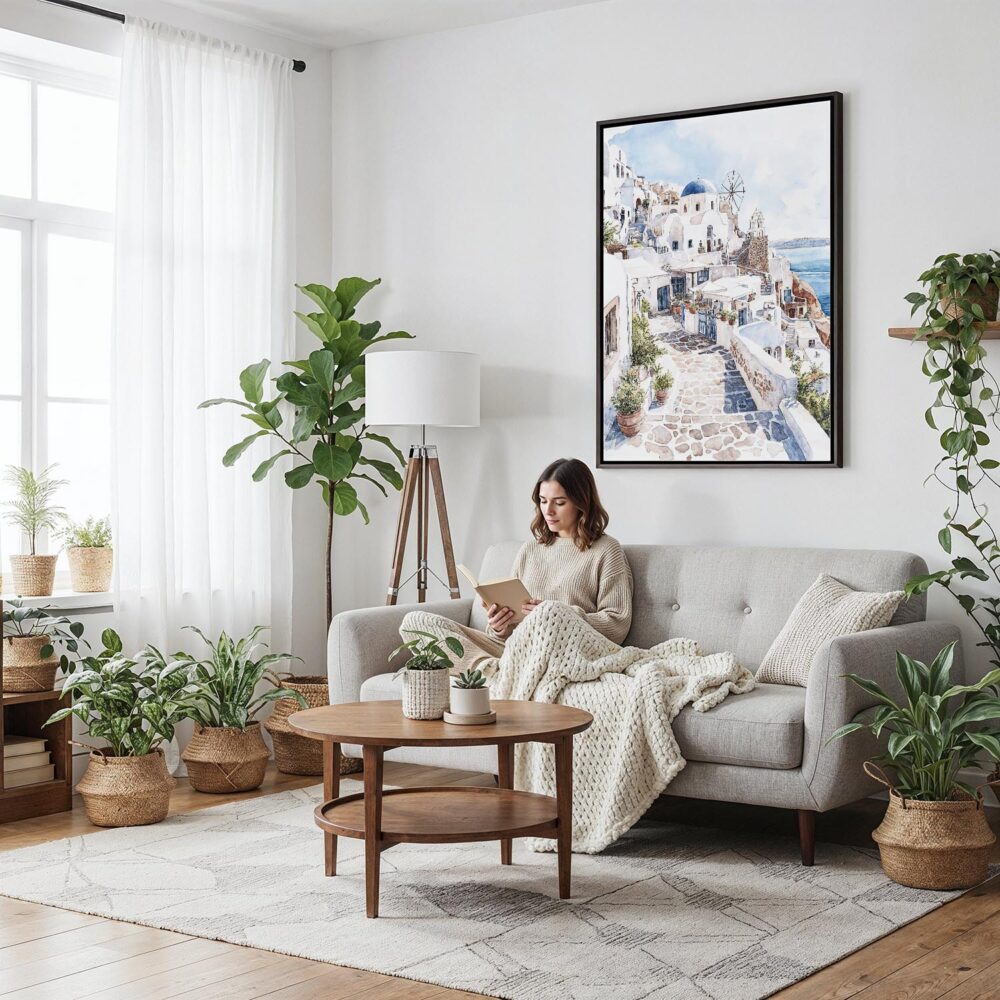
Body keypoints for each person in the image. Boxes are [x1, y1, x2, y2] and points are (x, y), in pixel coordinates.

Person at [399, 457, 633, 676]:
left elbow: (617, 625)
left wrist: (557, 614)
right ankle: (490, 671)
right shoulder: (530, 549)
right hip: (515, 650)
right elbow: (504, 636)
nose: (548, 511)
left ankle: (497, 675)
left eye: (559, 503)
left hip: (566, 652)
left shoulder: (606, 550)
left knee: (550, 612)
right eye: (543, 501)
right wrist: (500, 626)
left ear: (582, 503)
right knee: (415, 621)